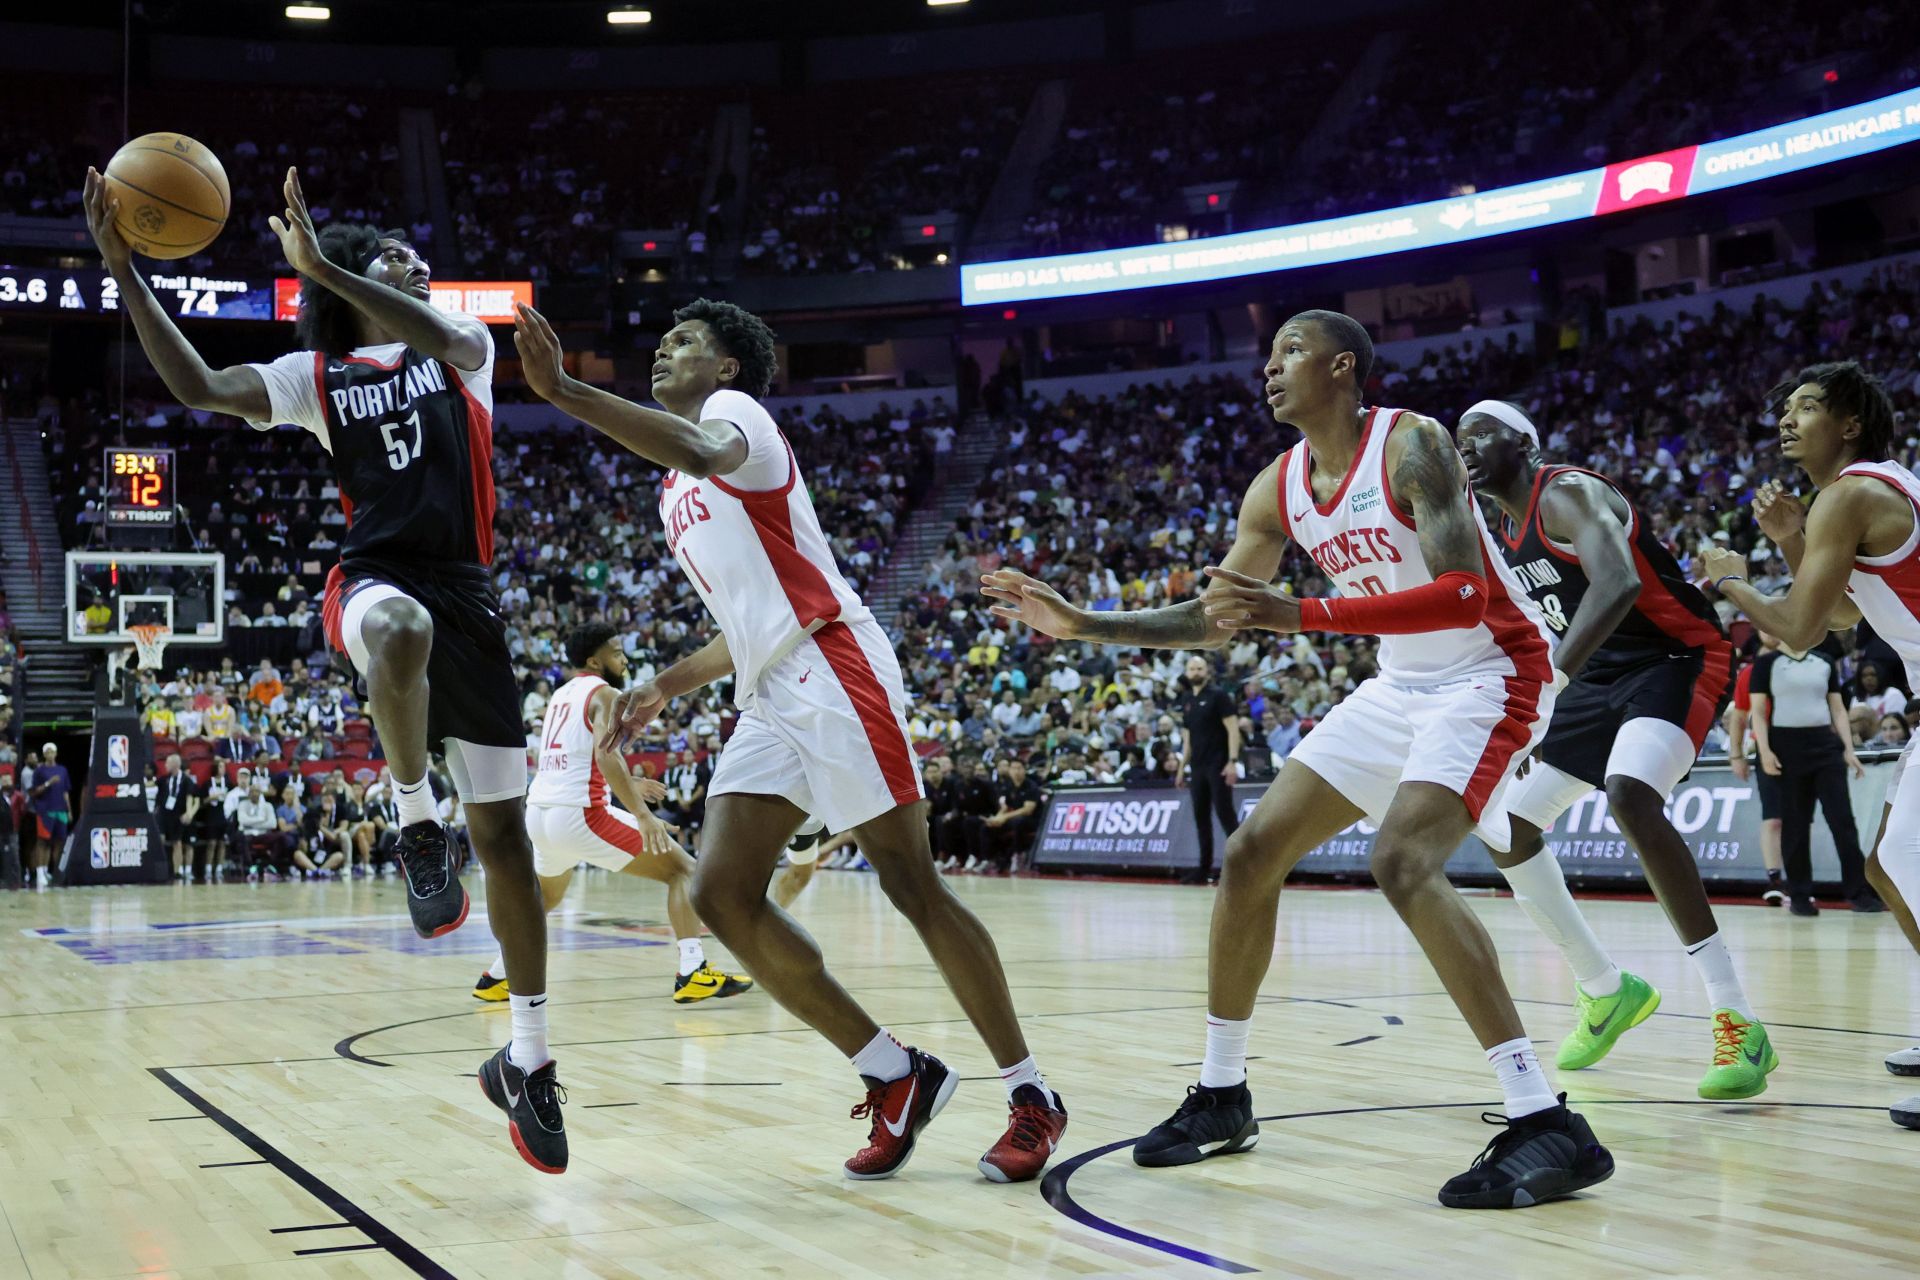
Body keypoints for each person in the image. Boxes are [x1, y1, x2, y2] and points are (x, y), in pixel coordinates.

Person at [983, 310, 1612, 1210]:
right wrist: (1084, 623)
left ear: (1343, 367)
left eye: (1290, 352)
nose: (1269, 368)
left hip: (1491, 673)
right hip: (1400, 684)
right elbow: (1218, 617)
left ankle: (1544, 1117)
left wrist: (1304, 616)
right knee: (1250, 855)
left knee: (1401, 861)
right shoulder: (1277, 487)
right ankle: (1223, 1093)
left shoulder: (1413, 444)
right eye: (1269, 355)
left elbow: (1465, 593)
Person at [512, 297, 1066, 1184]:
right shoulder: (674, 490)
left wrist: (565, 389)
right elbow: (742, 621)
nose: (662, 350)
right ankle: (894, 1072)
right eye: (658, 339)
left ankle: (1032, 1095)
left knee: (910, 883)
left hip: (833, 663)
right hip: (769, 688)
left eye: (683, 341)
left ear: (727, 367)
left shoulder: (734, 421)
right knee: (723, 893)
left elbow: (697, 453)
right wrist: (662, 683)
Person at [83, 165, 562, 1171]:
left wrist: (328, 275)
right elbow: (201, 386)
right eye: (399, 257)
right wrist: (127, 271)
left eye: (420, 264)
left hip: (471, 596)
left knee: (511, 845)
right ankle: (411, 817)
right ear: (352, 277)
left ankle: (528, 1056)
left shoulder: (461, 351)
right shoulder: (317, 379)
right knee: (397, 637)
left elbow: (432, 328)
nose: (422, 269)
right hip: (376, 577)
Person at [1457, 401, 1772, 1097]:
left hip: (1674, 658)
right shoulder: (1497, 529)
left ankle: (1737, 1017)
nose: (1467, 446)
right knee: (1506, 825)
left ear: (1525, 444)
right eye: (1459, 439)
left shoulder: (1567, 493)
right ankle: (1604, 988)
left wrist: (1552, 684)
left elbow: (1619, 581)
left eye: (1482, 433)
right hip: (1593, 677)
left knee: (1630, 793)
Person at [1698, 360, 1919, 1128]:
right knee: (1887, 864)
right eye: (1785, 407)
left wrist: (1730, 580)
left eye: (1808, 406)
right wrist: (1794, 543)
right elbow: (1843, 621)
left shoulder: (1849, 492)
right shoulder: (1873, 488)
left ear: (1849, 424)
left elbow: (1794, 631)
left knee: (1897, 861)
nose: (1788, 419)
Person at [473, 622, 753, 1006]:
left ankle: (498, 975)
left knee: (542, 900)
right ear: (594, 660)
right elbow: (606, 754)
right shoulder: (605, 693)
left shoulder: (561, 694)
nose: (623, 659)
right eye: (616, 653)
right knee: (684, 871)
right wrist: (642, 815)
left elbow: (577, 759)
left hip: (540, 813)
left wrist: (630, 783)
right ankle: (693, 971)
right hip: (579, 815)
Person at [1745, 638, 1875, 914]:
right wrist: (1764, 751)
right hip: (1786, 747)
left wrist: (1848, 750)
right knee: (1795, 823)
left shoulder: (1825, 661)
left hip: (1824, 746)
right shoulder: (1766, 663)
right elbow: (1757, 711)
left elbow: (1837, 709)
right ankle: (1800, 895)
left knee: (1842, 821)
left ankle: (1859, 892)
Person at [1729, 639, 1789, 904]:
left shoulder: (1799, 665)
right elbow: (1740, 716)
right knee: (1773, 818)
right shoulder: (1749, 673)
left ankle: (1800, 881)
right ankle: (1774, 879)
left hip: (1802, 742)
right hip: (1766, 746)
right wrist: (1736, 754)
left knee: (1799, 820)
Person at [1173, 654, 1240, 885]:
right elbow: (1188, 738)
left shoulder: (1219, 696)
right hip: (1197, 766)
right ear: (1186, 672)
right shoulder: (1186, 699)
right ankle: (1204, 868)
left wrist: (1232, 760)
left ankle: (1241, 869)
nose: (1196, 672)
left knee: (1226, 816)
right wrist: (1182, 768)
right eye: (1191, 669)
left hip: (1218, 764)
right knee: (1201, 818)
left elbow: (1233, 729)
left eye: (1199, 668)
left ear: (1207, 671)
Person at [27, 742, 71, 888]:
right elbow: (33, 792)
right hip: (45, 811)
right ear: (44, 754)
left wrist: (69, 810)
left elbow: (65, 792)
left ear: (56, 753)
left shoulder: (62, 770)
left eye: (53, 752)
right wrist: (48, 783)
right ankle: (40, 872)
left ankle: (54, 871)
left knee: (59, 842)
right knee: (43, 842)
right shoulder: (39, 771)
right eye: (48, 752)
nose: (51, 754)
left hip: (61, 811)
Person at [157, 752, 201, 883]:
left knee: (177, 843)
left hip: (178, 815)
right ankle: (163, 869)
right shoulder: (164, 779)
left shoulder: (186, 780)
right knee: (161, 840)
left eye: (167, 763)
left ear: (175, 765)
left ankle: (177, 871)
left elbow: (190, 797)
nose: (165, 765)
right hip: (165, 815)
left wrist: (188, 813)